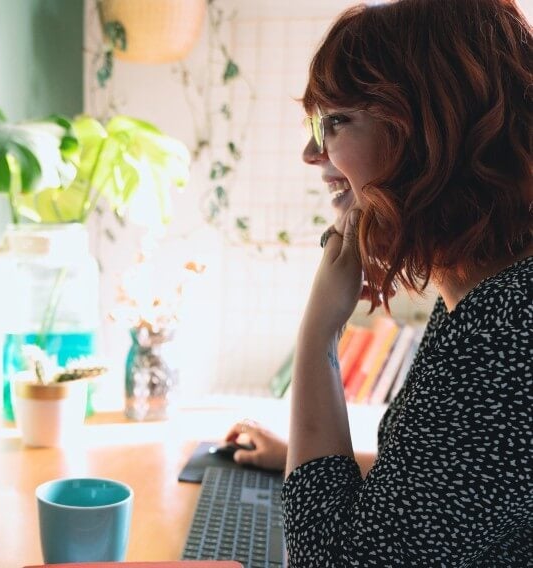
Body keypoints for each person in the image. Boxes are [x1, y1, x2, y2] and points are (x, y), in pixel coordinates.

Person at [221, 0, 532, 564]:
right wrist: (298, 454)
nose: (311, 152)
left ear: (429, 132)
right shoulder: (489, 296)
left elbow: (331, 561)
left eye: (336, 121)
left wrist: (318, 335)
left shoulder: (504, 340)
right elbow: (441, 488)